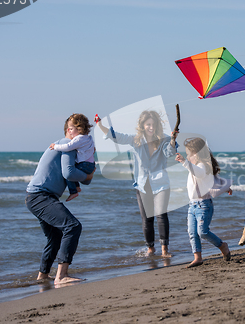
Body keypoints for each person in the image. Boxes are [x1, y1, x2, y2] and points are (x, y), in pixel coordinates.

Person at [95, 110, 177, 257]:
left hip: (161, 183)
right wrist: (101, 126)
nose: (151, 127)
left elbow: (169, 153)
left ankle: (165, 249)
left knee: (161, 215)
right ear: (143, 125)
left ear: (157, 125)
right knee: (147, 219)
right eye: (148, 125)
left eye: (153, 124)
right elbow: (117, 137)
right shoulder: (136, 140)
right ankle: (150, 249)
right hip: (143, 184)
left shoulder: (164, 138)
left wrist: (172, 140)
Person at [25, 117, 95, 285]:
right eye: (77, 129)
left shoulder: (64, 145)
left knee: (55, 237)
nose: (81, 134)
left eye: (84, 129)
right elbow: (69, 173)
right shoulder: (67, 145)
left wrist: (85, 177)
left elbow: (77, 177)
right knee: (73, 226)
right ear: (69, 130)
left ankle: (43, 275)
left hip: (36, 197)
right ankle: (61, 275)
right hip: (40, 196)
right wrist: (87, 176)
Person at [175, 137, 232, 268]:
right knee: (192, 232)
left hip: (204, 205)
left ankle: (222, 245)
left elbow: (201, 174)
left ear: (199, 153)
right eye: (187, 154)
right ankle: (198, 257)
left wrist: (184, 161)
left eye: (190, 154)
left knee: (203, 232)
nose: (188, 157)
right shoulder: (195, 167)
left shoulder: (202, 167)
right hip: (192, 205)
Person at [50, 113, 95, 202]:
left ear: (79, 128)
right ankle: (77, 186)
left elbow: (68, 147)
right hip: (91, 165)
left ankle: (73, 191)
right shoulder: (89, 138)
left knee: (68, 172)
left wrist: (55, 146)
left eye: (71, 129)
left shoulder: (79, 139)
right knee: (72, 170)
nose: (69, 131)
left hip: (84, 164)